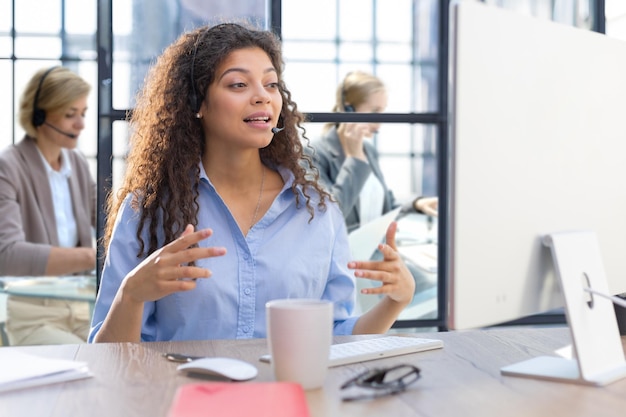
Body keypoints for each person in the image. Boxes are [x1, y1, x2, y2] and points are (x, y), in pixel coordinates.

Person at [89, 22, 415, 343]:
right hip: (181, 393)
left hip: (288, 393)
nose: (263, 97)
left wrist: (395, 302)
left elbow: (334, 338)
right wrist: (130, 296)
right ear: (198, 103)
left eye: (271, 84)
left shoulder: (317, 212)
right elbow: (106, 356)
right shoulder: (148, 210)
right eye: (238, 85)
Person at [0, 66, 96, 345]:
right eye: (70, 115)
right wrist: (92, 257)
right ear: (39, 115)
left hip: (81, 308)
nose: (81, 124)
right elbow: (7, 254)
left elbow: (108, 221)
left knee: (124, 357)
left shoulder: (76, 164)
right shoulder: (9, 167)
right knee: (91, 366)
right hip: (34, 314)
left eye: (83, 113)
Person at [307, 71, 438, 233]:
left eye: (382, 111)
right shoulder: (314, 153)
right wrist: (355, 160)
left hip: (373, 253)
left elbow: (386, 206)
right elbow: (327, 216)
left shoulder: (369, 150)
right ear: (348, 109)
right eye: (374, 110)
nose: (380, 120)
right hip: (340, 255)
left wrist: (417, 204)